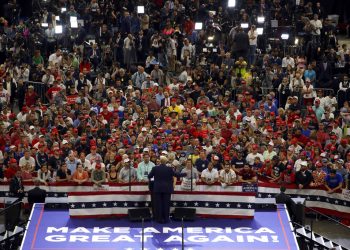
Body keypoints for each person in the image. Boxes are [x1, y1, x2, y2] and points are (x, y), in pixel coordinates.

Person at [147, 156, 186, 223]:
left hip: (157, 188)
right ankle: (166, 218)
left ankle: (159, 219)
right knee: (166, 204)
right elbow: (177, 175)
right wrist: (185, 174)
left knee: (158, 204)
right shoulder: (169, 169)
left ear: (160, 161)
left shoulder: (155, 168)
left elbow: (149, 176)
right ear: (165, 162)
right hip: (167, 189)